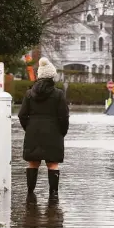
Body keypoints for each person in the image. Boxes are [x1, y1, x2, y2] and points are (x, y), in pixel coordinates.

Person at [18, 57, 69, 197]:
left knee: (33, 163)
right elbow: (64, 116)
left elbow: (22, 115)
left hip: (33, 132)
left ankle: (30, 193)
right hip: (53, 133)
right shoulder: (58, 94)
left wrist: (28, 128)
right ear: (52, 76)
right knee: (52, 164)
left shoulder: (29, 94)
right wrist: (62, 132)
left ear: (39, 76)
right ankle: (53, 195)